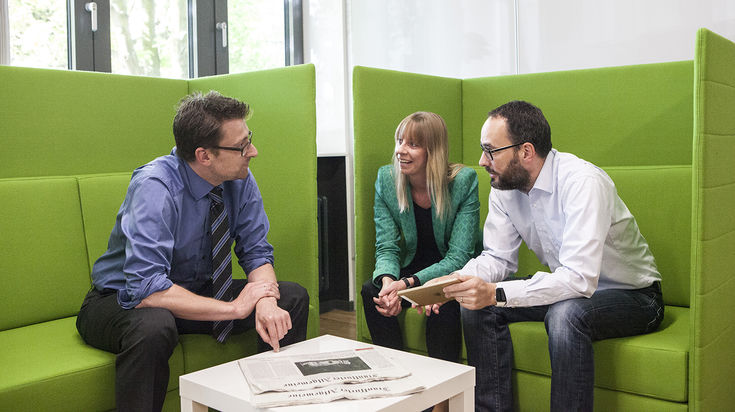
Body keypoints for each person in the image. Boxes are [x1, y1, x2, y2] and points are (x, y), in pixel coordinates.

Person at [76, 91, 309, 412]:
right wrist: (234, 309)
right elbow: (147, 289)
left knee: (291, 296)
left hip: (193, 291)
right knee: (154, 325)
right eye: (242, 146)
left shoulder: (238, 177)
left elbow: (256, 252)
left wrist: (265, 299)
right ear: (204, 155)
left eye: (249, 139)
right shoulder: (155, 186)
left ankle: (275, 403)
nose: (253, 151)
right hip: (119, 301)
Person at [427, 100, 664, 411]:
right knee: (475, 306)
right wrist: (456, 282)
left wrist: (494, 292)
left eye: (490, 151)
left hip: (635, 297)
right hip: (569, 288)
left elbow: (579, 279)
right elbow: (497, 259)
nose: (481, 161)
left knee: (565, 315)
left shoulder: (583, 183)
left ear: (525, 151)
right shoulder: (503, 186)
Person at [361, 111, 480, 366]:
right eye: (399, 141)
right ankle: (394, 375)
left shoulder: (463, 182)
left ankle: (441, 401)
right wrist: (388, 283)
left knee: (443, 302)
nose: (400, 151)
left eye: (412, 144)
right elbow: (386, 246)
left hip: (450, 272)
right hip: (411, 268)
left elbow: (459, 257)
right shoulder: (387, 179)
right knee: (372, 291)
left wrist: (406, 284)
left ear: (433, 151)